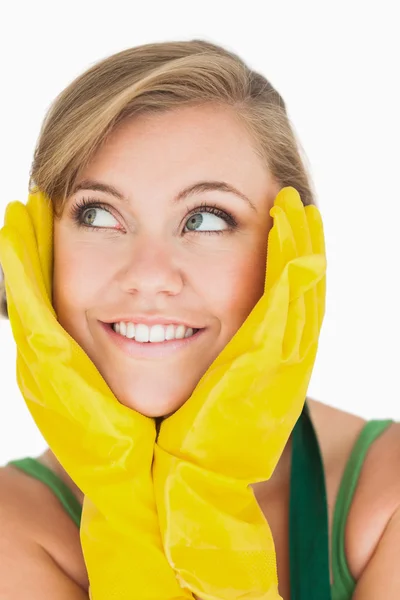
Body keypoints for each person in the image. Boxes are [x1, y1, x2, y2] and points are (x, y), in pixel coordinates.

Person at [0, 39, 399, 600]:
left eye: (208, 219)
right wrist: (126, 501)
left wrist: (208, 491)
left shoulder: (386, 498)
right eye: (97, 213)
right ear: (39, 250)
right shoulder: (12, 524)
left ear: (285, 252)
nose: (149, 274)